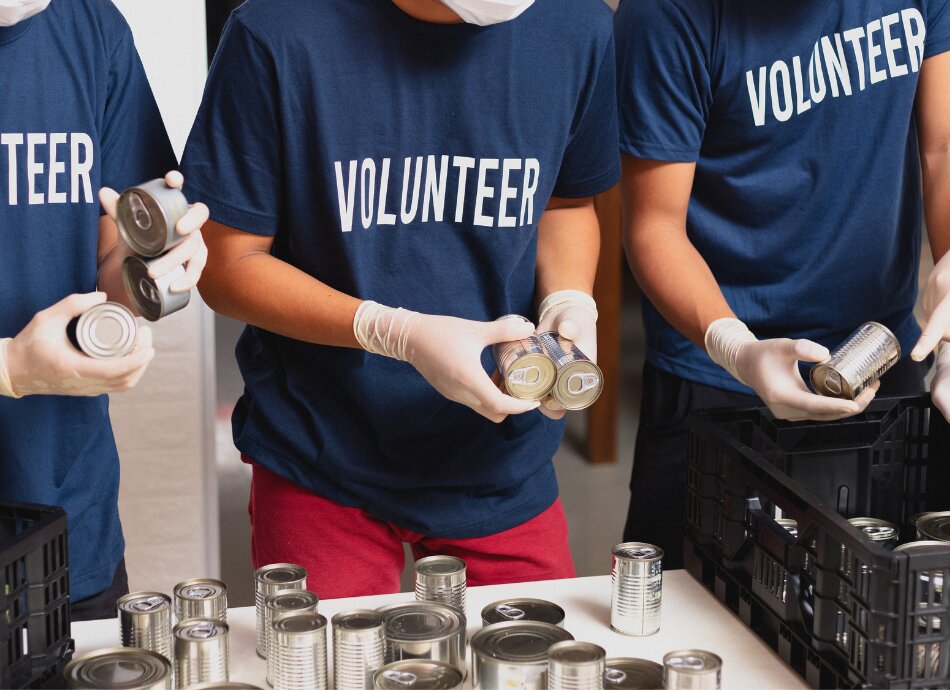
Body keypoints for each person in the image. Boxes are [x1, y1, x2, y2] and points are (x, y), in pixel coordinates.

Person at [183, 0, 619, 597]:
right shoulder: (277, 32)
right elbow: (226, 264)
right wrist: (394, 331)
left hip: (497, 456)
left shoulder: (576, 25)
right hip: (323, 449)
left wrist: (570, 296)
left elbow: (567, 202)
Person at [615, 0, 950, 569]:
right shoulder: (665, 15)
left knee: (891, 592)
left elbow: (942, 149)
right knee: (685, 608)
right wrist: (735, 349)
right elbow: (653, 226)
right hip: (717, 368)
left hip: (880, 352)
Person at [0, 0, 208, 619]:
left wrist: (157, 263)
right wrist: (9, 368)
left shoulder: (90, 26)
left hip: (63, 512)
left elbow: (110, 262)